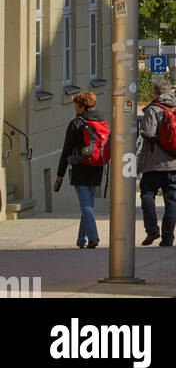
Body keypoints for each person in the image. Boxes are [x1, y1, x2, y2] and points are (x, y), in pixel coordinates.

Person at [138, 77, 176, 246]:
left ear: (155, 93)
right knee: (171, 199)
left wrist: (162, 140)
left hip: (155, 163)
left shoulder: (153, 109)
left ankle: (152, 229)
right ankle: (168, 238)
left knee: (147, 193)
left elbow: (147, 133)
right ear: (169, 92)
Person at [55, 91, 109, 249]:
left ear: (82, 106)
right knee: (88, 206)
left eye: (76, 106)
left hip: (80, 167)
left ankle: (93, 237)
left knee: (86, 205)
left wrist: (60, 175)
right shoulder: (101, 120)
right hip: (97, 166)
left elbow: (66, 151)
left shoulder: (76, 123)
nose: (74, 108)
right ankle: (81, 239)